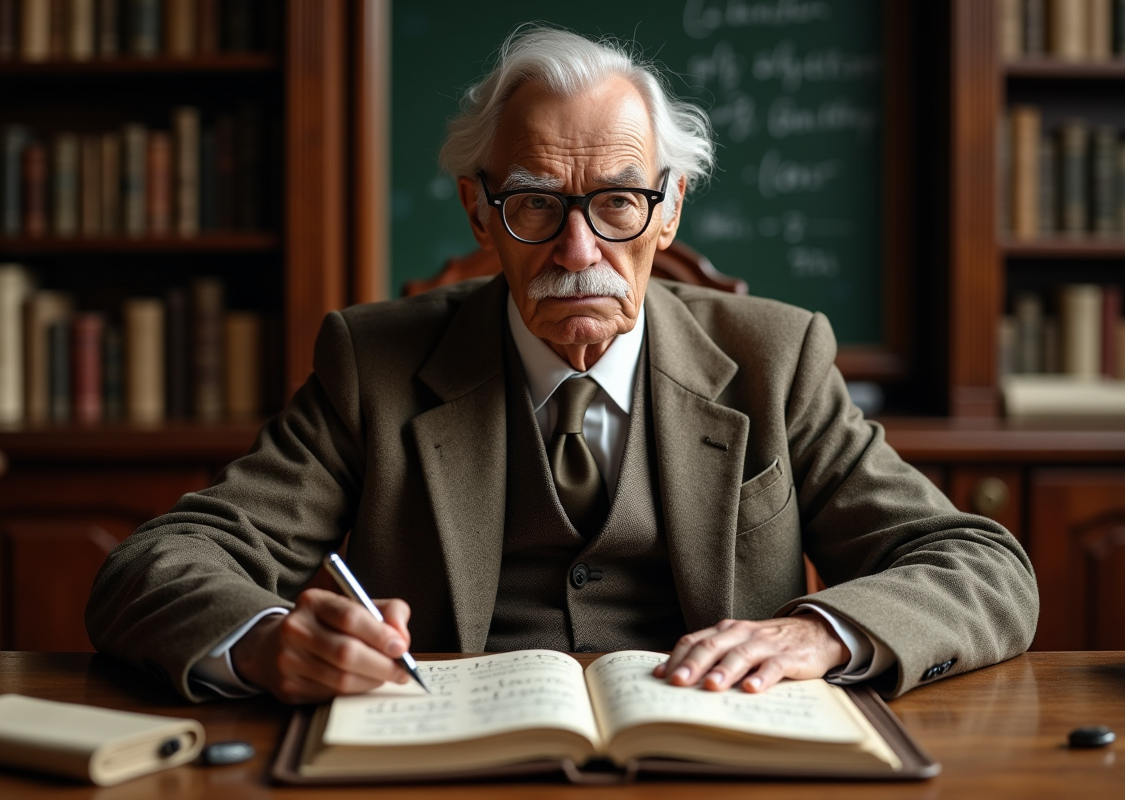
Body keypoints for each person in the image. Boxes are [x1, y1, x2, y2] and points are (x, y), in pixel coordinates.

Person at [86, 26, 1038, 704]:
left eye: (619, 202)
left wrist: (816, 631)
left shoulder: (776, 358)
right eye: (535, 204)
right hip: (449, 767)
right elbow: (152, 568)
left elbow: (983, 565)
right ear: (478, 211)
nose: (578, 251)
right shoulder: (371, 363)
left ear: (668, 213)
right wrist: (266, 644)